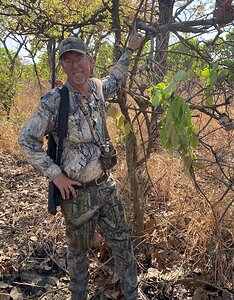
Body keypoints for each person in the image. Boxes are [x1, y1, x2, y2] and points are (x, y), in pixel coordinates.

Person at [18, 26, 144, 300]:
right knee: (78, 257)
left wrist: (130, 49)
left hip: (106, 187)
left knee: (123, 244)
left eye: (79, 59)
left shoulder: (98, 88)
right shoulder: (55, 100)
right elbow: (26, 139)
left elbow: (116, 77)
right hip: (77, 195)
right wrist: (56, 176)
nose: (75, 66)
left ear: (90, 60)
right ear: (63, 66)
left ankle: (133, 293)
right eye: (68, 60)